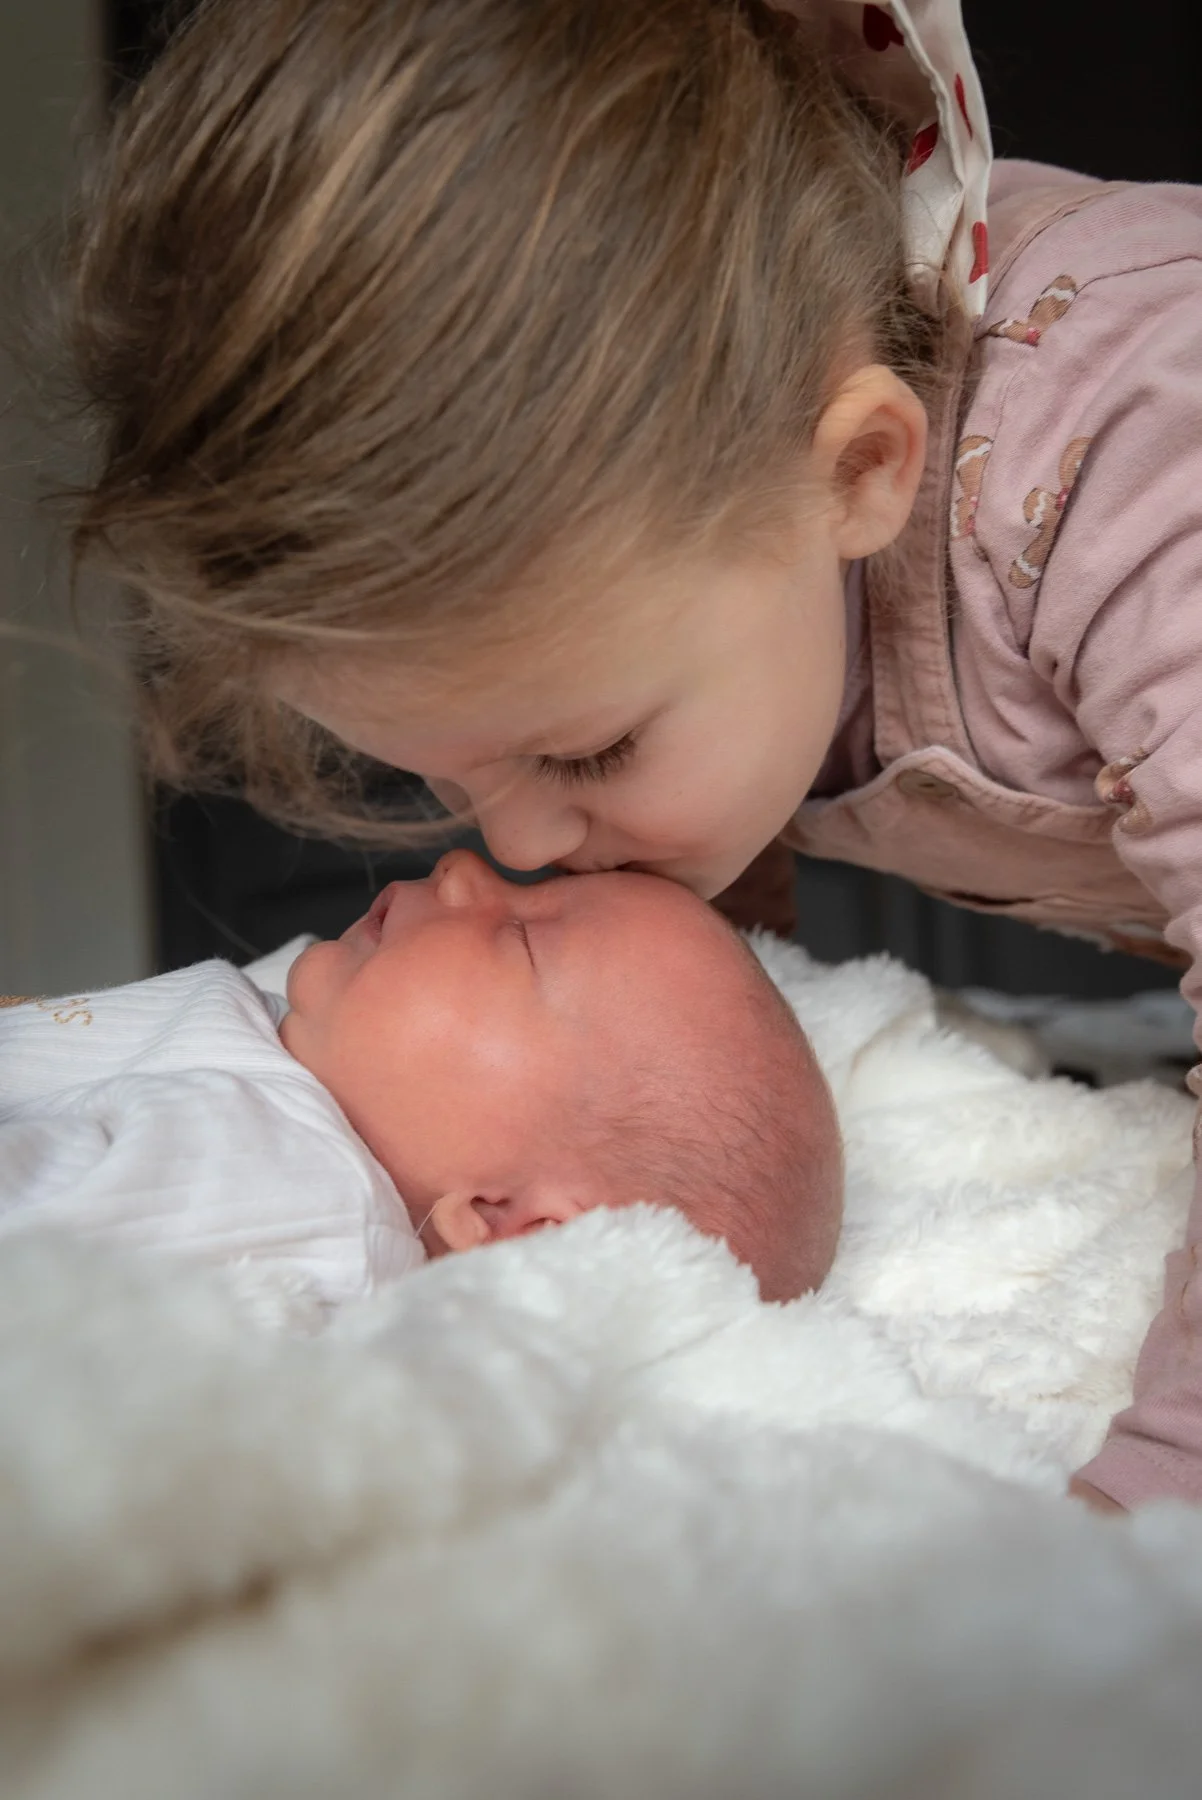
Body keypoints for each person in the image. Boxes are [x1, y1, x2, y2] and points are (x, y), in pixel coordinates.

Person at [50, 0, 1202, 1508]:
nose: (513, 851)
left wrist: (1145, 1519)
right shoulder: (716, 583)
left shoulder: (1130, 446)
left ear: (859, 469)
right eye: (447, 777)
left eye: (587, 751)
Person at [0, 853, 845, 1306]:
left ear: (516, 1226)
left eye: (520, 937)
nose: (465, 869)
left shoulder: (282, 1178)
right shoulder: (309, 1054)